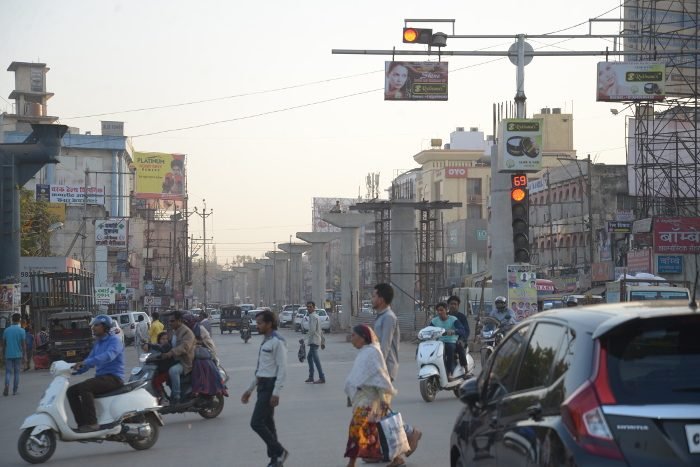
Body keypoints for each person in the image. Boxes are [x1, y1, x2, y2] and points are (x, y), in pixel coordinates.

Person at [371, 283, 421, 462]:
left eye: (374, 296)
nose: (372, 299)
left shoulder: (389, 318)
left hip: (385, 369)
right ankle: (384, 451)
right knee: (378, 411)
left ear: (381, 299)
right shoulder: (381, 317)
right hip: (380, 368)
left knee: (380, 410)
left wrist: (377, 371)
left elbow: (384, 347)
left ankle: (410, 432)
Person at [344, 324, 397, 467]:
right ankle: (394, 457)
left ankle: (351, 462)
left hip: (369, 401)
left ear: (363, 337)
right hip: (362, 398)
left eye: (354, 335)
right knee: (374, 430)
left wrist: (384, 399)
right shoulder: (364, 352)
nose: (351, 338)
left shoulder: (373, 352)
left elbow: (381, 377)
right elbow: (357, 376)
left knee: (356, 429)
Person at [241, 310, 289, 467]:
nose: (257, 326)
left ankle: (280, 451)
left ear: (269, 324)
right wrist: (249, 389)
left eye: (260, 323)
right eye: (257, 323)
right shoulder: (265, 341)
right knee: (268, 423)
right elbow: (261, 369)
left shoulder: (277, 341)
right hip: (262, 385)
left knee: (256, 423)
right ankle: (275, 459)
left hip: (270, 386)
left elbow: (282, 368)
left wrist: (276, 392)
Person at [68, 315, 124, 432]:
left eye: (96, 325)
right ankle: (82, 424)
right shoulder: (98, 344)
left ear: (105, 327)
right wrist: (72, 370)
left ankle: (92, 424)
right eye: (93, 326)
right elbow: (89, 362)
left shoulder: (115, 341)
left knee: (85, 387)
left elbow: (108, 356)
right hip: (102, 378)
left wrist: (85, 362)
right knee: (71, 391)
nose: (93, 328)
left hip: (114, 378)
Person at [161, 310, 195, 403]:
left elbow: (184, 347)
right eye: (169, 321)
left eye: (172, 321)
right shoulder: (174, 331)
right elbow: (168, 343)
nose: (170, 323)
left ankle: (176, 396)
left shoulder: (187, 332)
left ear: (179, 320)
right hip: (175, 360)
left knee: (173, 371)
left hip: (184, 362)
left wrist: (170, 353)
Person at [430, 302, 466, 379]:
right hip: (439, 343)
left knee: (450, 348)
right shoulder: (434, 321)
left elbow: (462, 330)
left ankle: (449, 372)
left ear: (446, 310)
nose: (439, 312)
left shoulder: (453, 319)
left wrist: (454, 331)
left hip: (451, 342)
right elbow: (429, 329)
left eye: (441, 310)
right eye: (438, 310)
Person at [2, 313, 25, 396]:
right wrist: (24, 355)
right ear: (19, 320)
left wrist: (3, 354)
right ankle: (15, 390)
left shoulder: (6, 330)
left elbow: (4, 344)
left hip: (8, 354)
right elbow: (23, 344)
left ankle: (7, 385)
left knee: (8, 372)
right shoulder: (22, 331)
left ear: (12, 320)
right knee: (16, 373)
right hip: (18, 354)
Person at [304, 301, 326, 384]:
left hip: (314, 341)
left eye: (310, 307)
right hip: (316, 340)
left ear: (314, 307)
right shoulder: (316, 316)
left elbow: (313, 330)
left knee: (316, 360)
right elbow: (320, 330)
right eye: (308, 307)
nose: (309, 308)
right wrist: (322, 341)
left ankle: (322, 377)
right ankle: (311, 377)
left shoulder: (313, 316)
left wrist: (304, 338)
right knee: (309, 357)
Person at [447, 295, 469, 371]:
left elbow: (466, 331)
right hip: (447, 339)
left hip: (459, 339)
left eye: (455, 304)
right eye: (451, 304)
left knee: (459, 345)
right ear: (448, 305)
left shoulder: (462, 317)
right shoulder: (445, 316)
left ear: (458, 305)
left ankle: (465, 367)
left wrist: (462, 339)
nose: (453, 306)